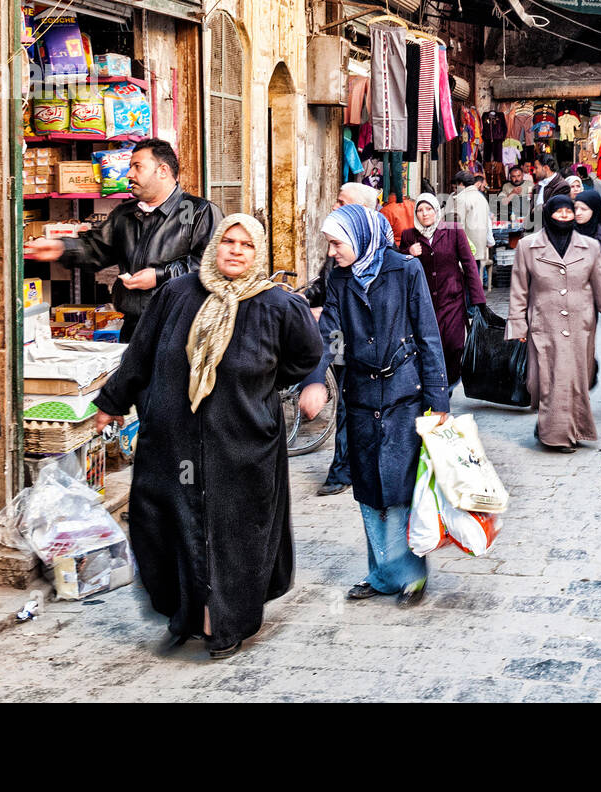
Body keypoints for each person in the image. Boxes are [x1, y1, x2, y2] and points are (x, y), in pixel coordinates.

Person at [91, 215, 324, 659]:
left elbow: (306, 355)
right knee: (173, 523)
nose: (236, 251)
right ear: (216, 245)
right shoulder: (177, 295)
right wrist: (111, 403)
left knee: (233, 531)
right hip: (175, 439)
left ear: (258, 254)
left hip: (243, 442)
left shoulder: (277, 305)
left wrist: (260, 389)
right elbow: (140, 355)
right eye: (229, 242)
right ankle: (187, 613)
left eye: (246, 245)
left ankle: (225, 623)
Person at [298, 205, 449, 605]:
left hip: (404, 396)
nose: (332, 252)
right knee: (368, 491)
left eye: (336, 243)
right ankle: (382, 576)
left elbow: (428, 335)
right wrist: (314, 381)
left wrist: (438, 399)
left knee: (399, 490)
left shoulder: (405, 270)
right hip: (362, 398)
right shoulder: (340, 279)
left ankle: (411, 576)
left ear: (361, 238)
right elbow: (328, 332)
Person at [25, 138, 219, 342]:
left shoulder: (198, 211)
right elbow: (95, 249)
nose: (129, 174)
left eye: (137, 167)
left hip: (182, 330)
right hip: (134, 328)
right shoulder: (124, 214)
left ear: (162, 171)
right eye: (129, 167)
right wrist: (61, 248)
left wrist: (160, 276)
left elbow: (211, 266)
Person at [506, 195, 601, 452]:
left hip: (580, 325)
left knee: (575, 380)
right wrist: (518, 324)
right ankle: (556, 434)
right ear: (548, 213)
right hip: (543, 322)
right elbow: (519, 289)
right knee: (546, 380)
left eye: (568, 212)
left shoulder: (590, 247)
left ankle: (566, 428)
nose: (563, 216)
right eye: (558, 212)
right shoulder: (528, 246)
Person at [302, 181, 381, 497]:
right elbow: (325, 290)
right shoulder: (338, 250)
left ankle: (347, 470)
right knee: (350, 407)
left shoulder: (385, 259)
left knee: (359, 410)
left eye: (341, 202)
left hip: (372, 350)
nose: (334, 207)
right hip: (343, 344)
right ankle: (345, 468)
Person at [399, 193, 487, 387]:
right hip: (424, 301)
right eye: (420, 210)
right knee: (431, 345)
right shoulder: (409, 235)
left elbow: (469, 264)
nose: (425, 214)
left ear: (436, 210)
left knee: (455, 345)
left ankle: (450, 381)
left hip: (452, 298)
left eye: (428, 209)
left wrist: (478, 300)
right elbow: (399, 266)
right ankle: (437, 385)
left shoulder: (453, 231)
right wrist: (408, 253)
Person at [446, 169, 492, 287]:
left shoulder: (462, 198)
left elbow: (455, 224)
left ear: (461, 184)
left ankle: (473, 304)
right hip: (478, 245)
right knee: (474, 276)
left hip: (466, 245)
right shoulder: (481, 197)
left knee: (468, 280)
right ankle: (477, 302)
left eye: (456, 186)